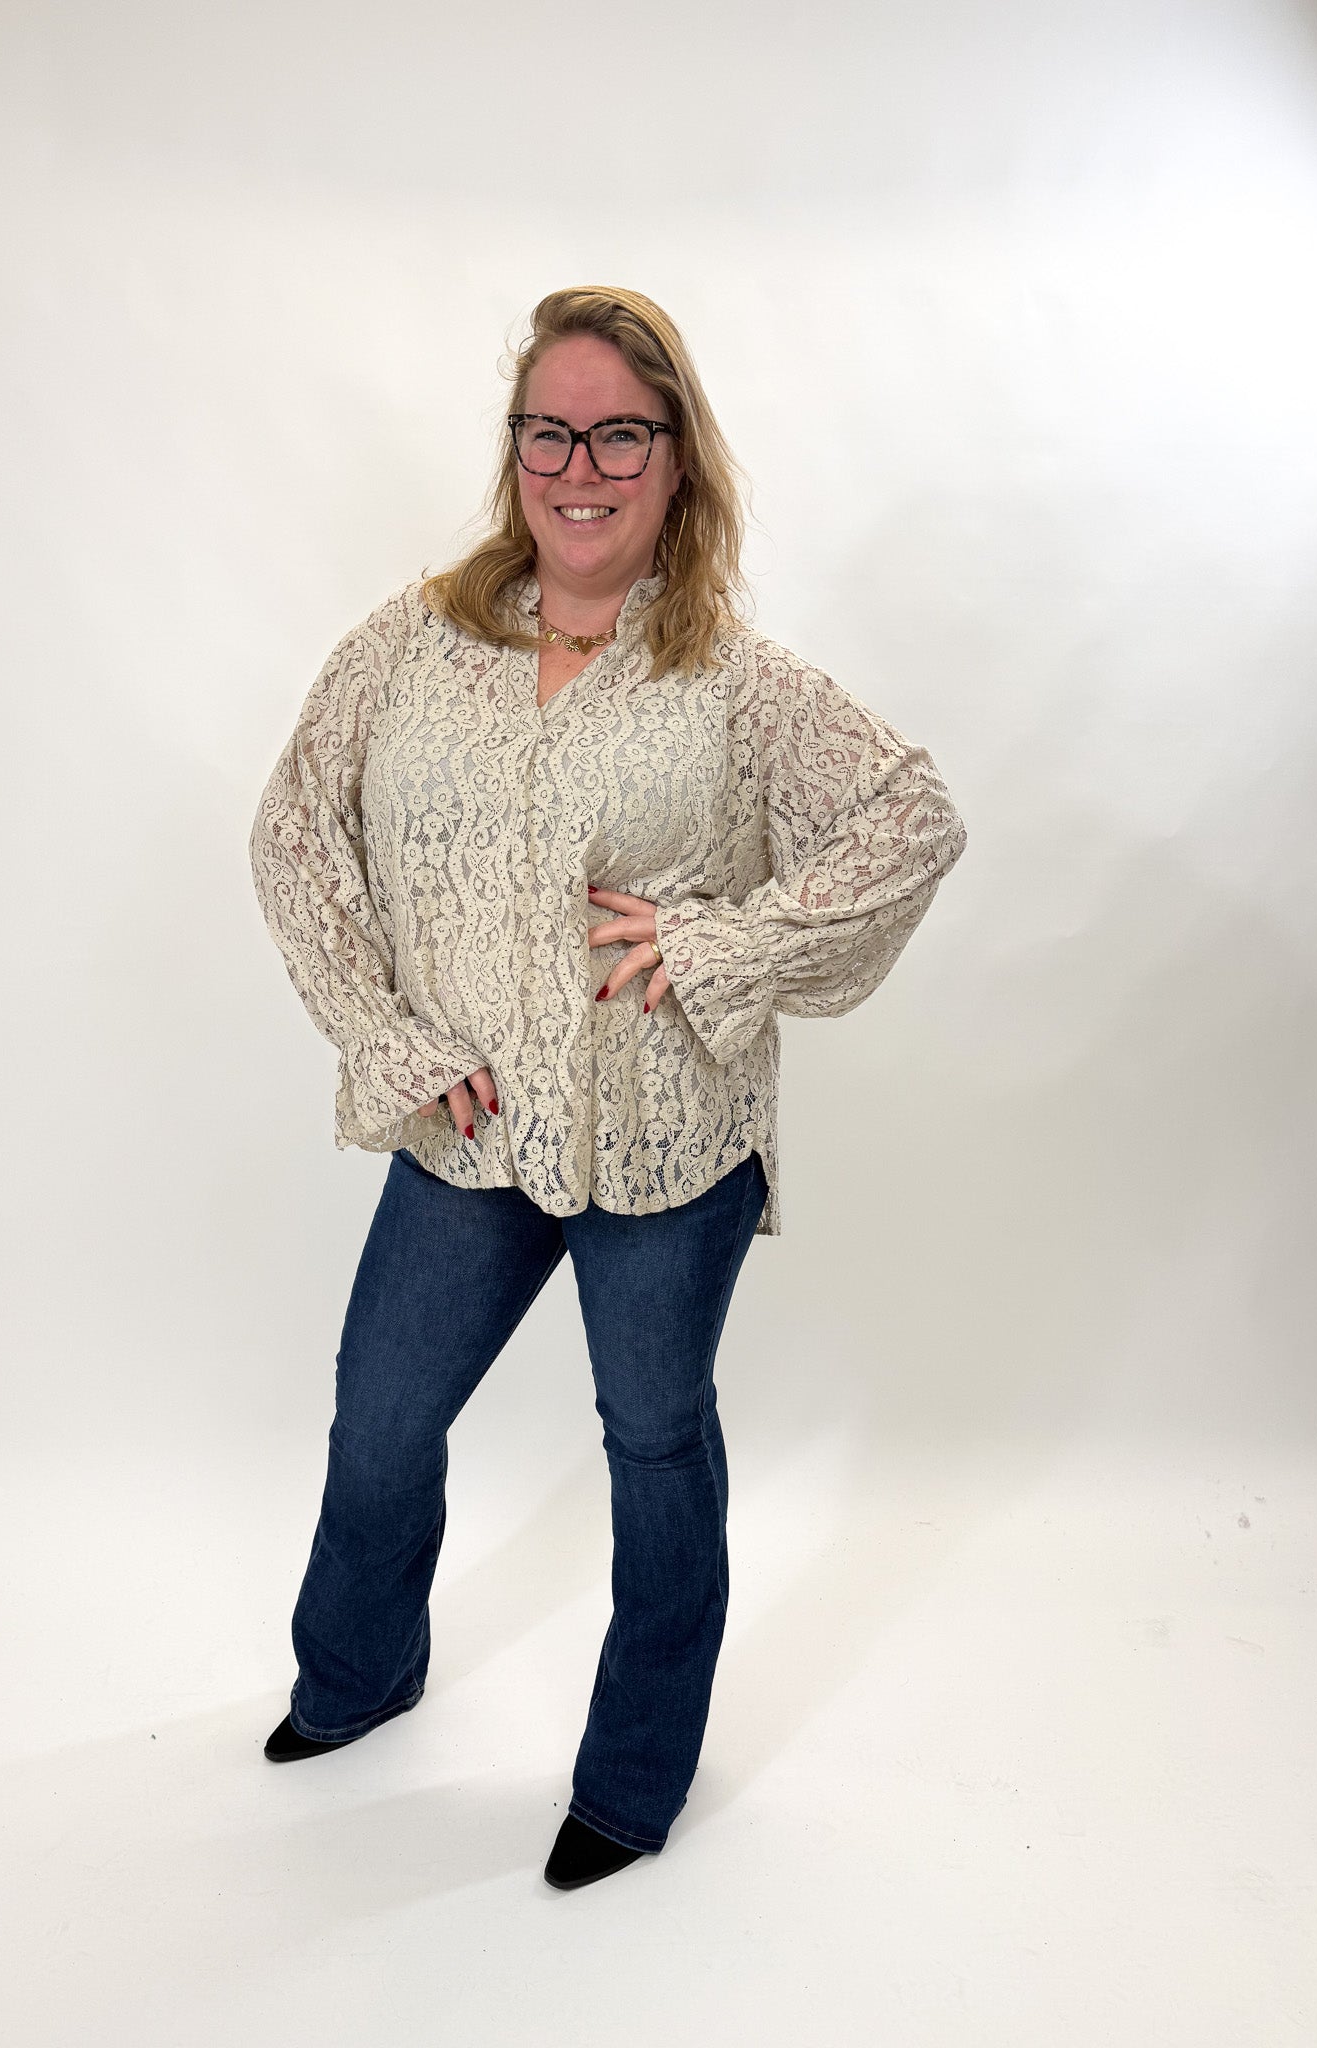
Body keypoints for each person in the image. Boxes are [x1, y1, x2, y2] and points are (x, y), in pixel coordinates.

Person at [248, 285, 968, 1891]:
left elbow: (911, 820)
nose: (580, 468)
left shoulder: (731, 678)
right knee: (381, 1415)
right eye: (550, 432)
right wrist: (389, 1037)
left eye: (620, 435)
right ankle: (357, 1674)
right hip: (473, 1126)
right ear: (515, 450)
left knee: (652, 1442)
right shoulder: (412, 645)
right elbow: (293, 833)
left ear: (675, 458)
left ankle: (633, 1784)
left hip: (663, 1139)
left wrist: (720, 945)